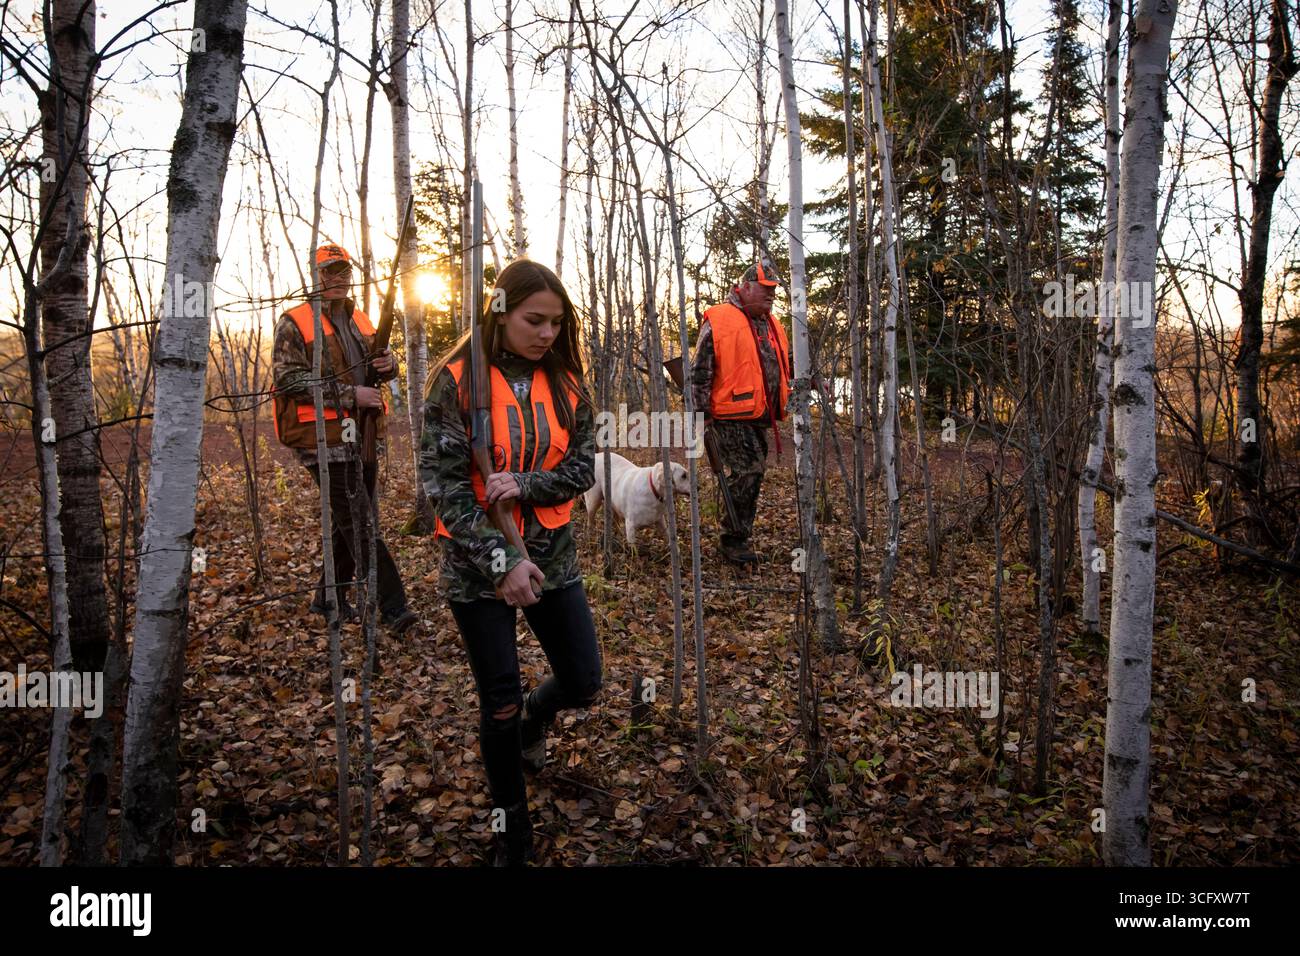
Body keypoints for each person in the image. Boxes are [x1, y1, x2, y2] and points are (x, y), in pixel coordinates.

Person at [419, 259, 602, 867]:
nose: (547, 333)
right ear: (499, 313)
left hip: (552, 557)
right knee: (496, 701)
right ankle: (511, 832)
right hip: (477, 571)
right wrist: (502, 562)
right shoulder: (454, 381)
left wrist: (524, 483)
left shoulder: (568, 381)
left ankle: (533, 722)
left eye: (556, 321)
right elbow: (442, 487)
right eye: (534, 320)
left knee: (583, 680)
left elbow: (582, 466)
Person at [271, 242, 418, 635]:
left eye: (342, 271)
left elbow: (379, 368)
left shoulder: (361, 320)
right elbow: (288, 379)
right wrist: (351, 395)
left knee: (348, 524)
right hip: (323, 440)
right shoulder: (294, 321)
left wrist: (390, 366)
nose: (336, 278)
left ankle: (326, 598)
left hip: (364, 436)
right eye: (328, 272)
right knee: (360, 521)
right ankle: (394, 608)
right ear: (315, 277)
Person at [690, 257, 793, 565]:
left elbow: (784, 364)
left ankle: (737, 534)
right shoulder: (720, 319)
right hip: (728, 416)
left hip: (758, 415)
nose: (770, 295)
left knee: (751, 474)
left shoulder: (771, 323)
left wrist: (811, 380)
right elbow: (700, 371)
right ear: (745, 287)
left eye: (773, 290)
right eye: (764, 289)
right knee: (748, 472)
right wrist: (701, 414)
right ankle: (733, 541)